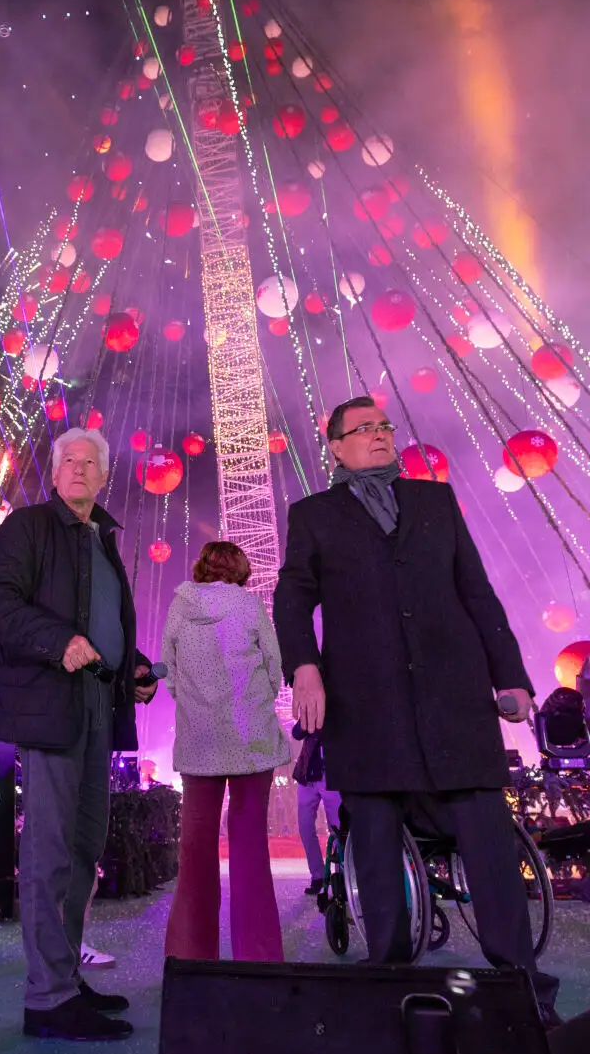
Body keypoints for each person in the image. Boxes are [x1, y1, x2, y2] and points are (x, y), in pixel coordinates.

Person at [274, 395, 559, 1020]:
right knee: (374, 844)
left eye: (385, 426)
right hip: (364, 703)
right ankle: (389, 980)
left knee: (488, 841)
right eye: (363, 429)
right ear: (336, 447)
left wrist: (511, 678)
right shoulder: (314, 515)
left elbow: (478, 593)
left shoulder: (434, 502)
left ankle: (520, 984)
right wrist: (304, 667)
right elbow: (291, 599)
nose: (379, 435)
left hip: (454, 696)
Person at [0, 427, 156, 1043]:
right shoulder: (28, 527)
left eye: (90, 461)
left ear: (104, 476)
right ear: (54, 474)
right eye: (68, 460)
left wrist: (130, 669)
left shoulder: (103, 540)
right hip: (50, 704)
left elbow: (101, 625)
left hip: (99, 705)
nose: (79, 468)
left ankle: (65, 977)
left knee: (84, 848)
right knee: (49, 851)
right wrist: (60, 643)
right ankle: (47, 999)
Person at [162, 541, 290, 963]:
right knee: (250, 845)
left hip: (199, 741)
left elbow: (170, 672)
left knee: (195, 850)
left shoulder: (179, 606)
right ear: (240, 568)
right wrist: (255, 702)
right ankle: (258, 959)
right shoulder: (250, 606)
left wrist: (198, 708)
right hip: (250, 739)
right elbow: (274, 666)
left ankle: (190, 959)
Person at [291, 724, 342, 896]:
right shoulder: (311, 711)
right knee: (305, 827)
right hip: (307, 777)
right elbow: (296, 733)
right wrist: (309, 719)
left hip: (332, 776)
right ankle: (317, 876)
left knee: (337, 830)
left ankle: (341, 877)